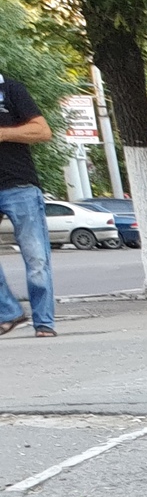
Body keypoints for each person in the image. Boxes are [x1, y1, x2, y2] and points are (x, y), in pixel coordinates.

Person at [0, 66, 57, 338]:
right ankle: (10, 312)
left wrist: (2, 133)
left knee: (36, 258)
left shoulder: (11, 90)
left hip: (20, 186)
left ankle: (43, 322)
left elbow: (43, 131)